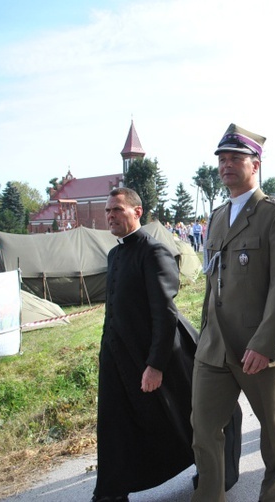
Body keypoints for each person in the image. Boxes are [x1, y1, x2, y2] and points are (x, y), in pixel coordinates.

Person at [192, 123, 275, 502]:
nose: (226, 165)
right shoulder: (218, 216)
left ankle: (274, 497)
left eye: (235, 158)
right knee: (204, 432)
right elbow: (212, 282)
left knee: (274, 436)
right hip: (216, 347)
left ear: (255, 164)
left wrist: (264, 343)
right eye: (222, 159)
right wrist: (204, 335)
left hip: (257, 345)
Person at [93, 187, 196, 501]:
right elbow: (113, 309)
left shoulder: (153, 251)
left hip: (146, 356)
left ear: (137, 212)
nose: (111, 216)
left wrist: (156, 365)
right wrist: (105, 352)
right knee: (113, 425)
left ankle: (208, 461)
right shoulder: (114, 253)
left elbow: (165, 313)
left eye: (118, 210)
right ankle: (112, 492)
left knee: (173, 416)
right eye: (108, 210)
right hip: (116, 356)